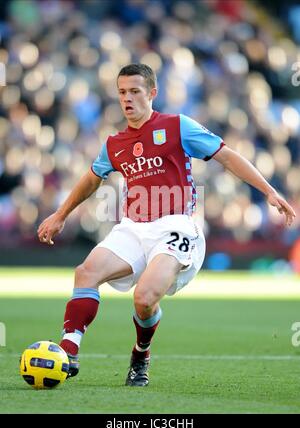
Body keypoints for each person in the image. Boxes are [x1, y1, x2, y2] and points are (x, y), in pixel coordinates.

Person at [38, 63, 296, 387]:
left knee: (145, 299)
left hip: (176, 226)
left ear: (152, 93)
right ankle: (67, 351)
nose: (127, 99)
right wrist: (61, 214)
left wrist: (269, 191)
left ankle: (140, 353)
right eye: (122, 92)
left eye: (135, 91)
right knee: (85, 273)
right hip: (132, 227)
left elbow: (227, 156)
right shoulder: (114, 144)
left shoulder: (177, 126)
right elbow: (91, 179)